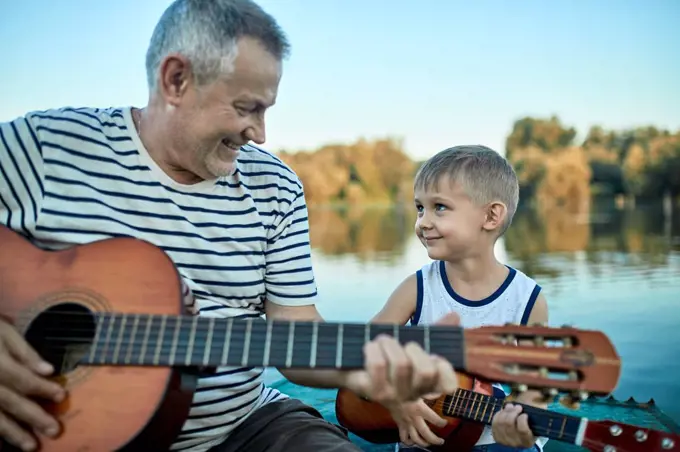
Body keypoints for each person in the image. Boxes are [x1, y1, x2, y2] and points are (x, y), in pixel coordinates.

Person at [0, 1, 461, 451]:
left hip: (246, 428)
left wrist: (364, 370)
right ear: (175, 80)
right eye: (246, 108)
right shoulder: (44, 149)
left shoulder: (275, 186)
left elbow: (294, 330)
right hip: (57, 429)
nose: (260, 133)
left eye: (266, 110)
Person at [369, 145, 550, 452]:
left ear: (491, 216)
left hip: (496, 442)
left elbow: (534, 389)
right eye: (419, 208)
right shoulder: (417, 287)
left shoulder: (527, 300)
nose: (423, 222)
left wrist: (521, 421)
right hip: (427, 435)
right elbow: (363, 348)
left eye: (439, 207)